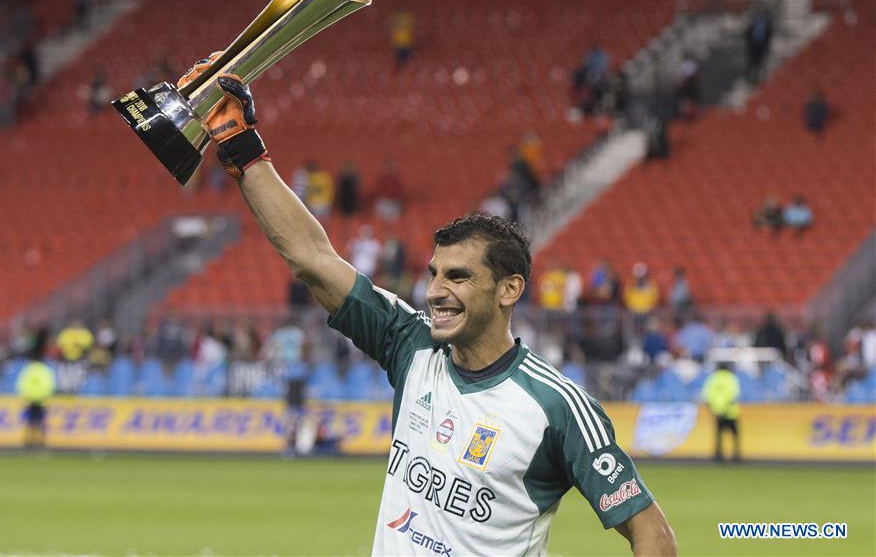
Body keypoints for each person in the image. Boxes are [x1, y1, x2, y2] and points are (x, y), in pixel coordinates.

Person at [171, 61, 677, 555]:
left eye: (458, 277)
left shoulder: (558, 406)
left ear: (509, 290)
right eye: (434, 274)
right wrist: (239, 145)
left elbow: (652, 534)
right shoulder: (410, 343)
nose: (435, 290)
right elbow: (312, 260)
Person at [16, 343, 56, 449]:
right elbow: (49, 384)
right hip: (41, 400)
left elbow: (22, 384)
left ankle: (29, 442)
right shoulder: (45, 370)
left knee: (30, 422)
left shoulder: (28, 369)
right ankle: (41, 443)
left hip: (30, 399)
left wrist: (25, 396)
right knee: (41, 422)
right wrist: (46, 397)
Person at [702, 362, 741, 462]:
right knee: (734, 435)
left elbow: (707, 396)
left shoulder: (713, 379)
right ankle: (736, 455)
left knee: (719, 435)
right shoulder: (731, 378)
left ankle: (718, 455)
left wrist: (714, 409)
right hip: (730, 412)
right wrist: (725, 408)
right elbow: (734, 395)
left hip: (717, 412)